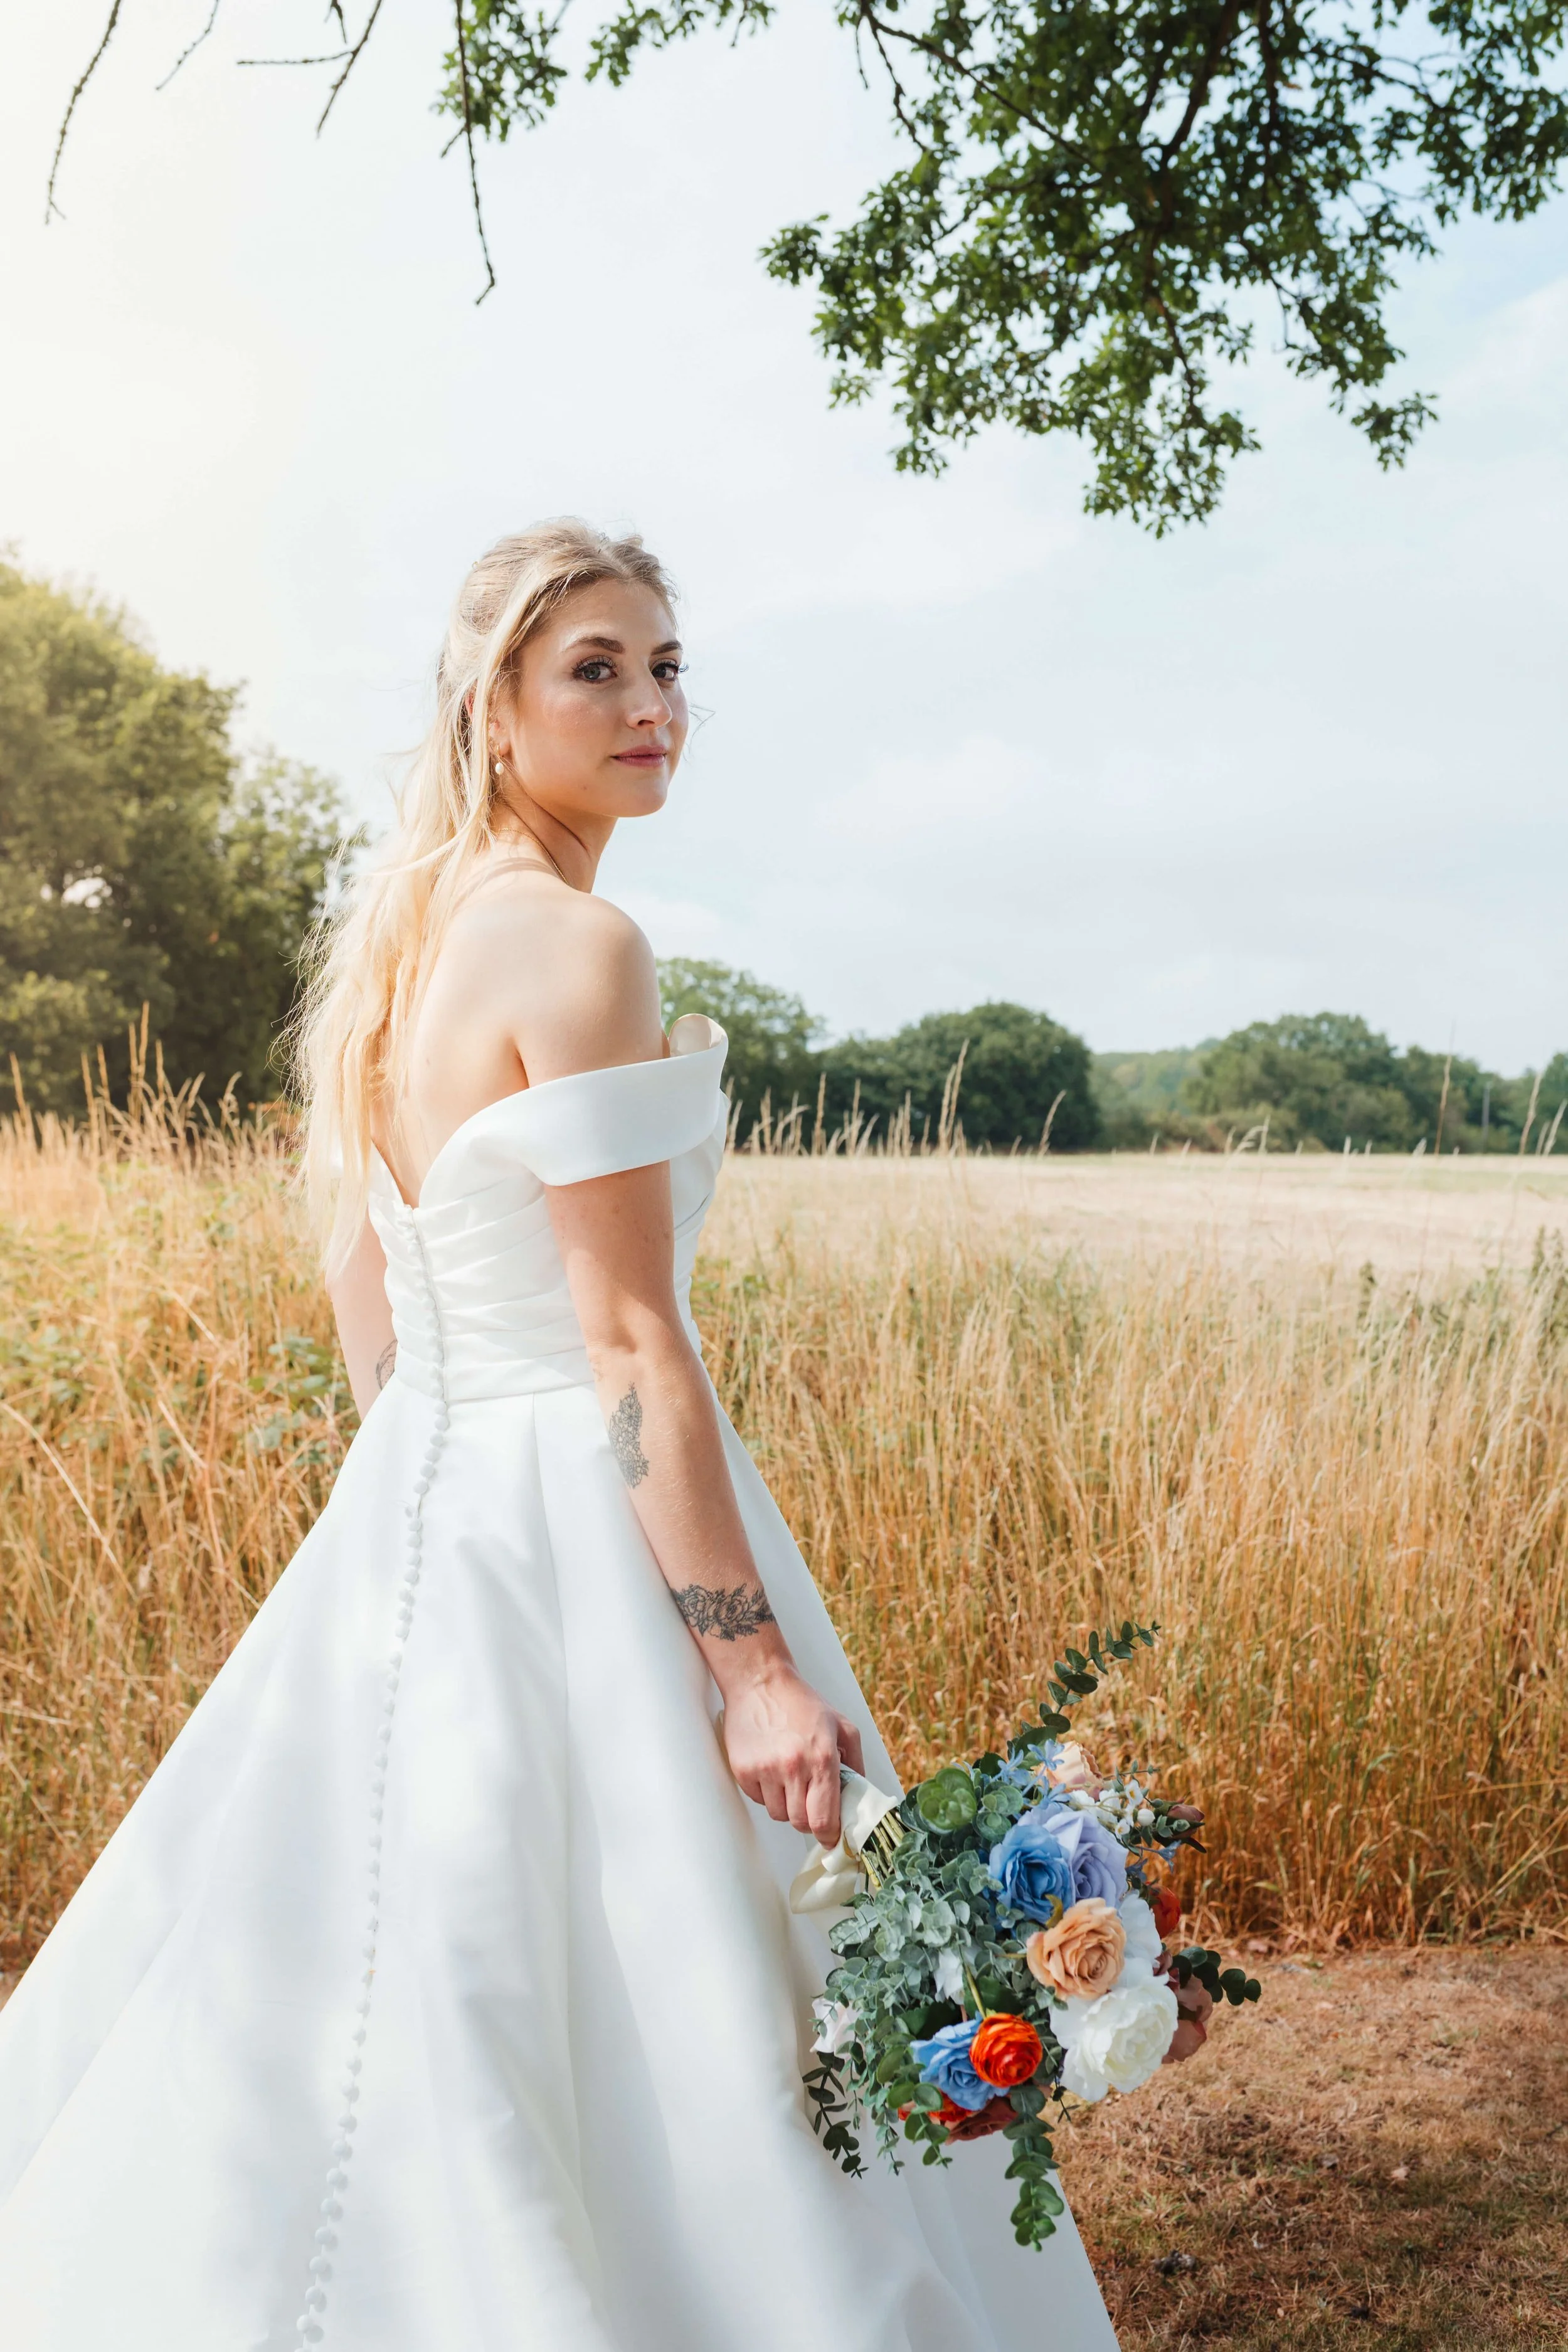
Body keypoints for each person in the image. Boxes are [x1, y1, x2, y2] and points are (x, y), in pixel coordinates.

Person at [0, 521, 1120, 2349]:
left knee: (423, 1961)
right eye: (592, 668)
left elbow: (374, 1296)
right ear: (493, 708)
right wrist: (747, 1666)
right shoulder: (578, 944)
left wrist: (427, 1511)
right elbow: (624, 1338)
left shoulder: (407, 949)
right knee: (656, 1976)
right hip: (583, 1509)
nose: (647, 703)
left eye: (666, 665)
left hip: (433, 1508)